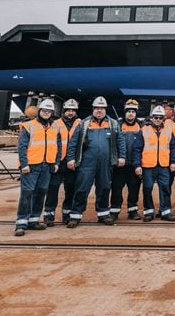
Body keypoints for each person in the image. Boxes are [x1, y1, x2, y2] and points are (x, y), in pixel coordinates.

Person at [65, 97, 126, 227]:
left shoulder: (113, 124)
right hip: (86, 163)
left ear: (105, 110)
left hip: (106, 163)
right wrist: (70, 158)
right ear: (93, 109)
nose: (99, 111)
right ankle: (75, 215)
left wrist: (122, 157)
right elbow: (73, 142)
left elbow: (120, 141)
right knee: (82, 188)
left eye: (102, 108)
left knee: (104, 187)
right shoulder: (83, 124)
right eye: (97, 108)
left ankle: (103, 214)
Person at [14, 98, 64, 235]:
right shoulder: (28, 126)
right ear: (39, 111)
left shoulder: (54, 128)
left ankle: (34, 220)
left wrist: (56, 163)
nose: (46, 113)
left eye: (49, 111)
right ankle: (21, 223)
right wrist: (24, 164)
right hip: (31, 166)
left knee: (41, 193)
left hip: (47, 165)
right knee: (27, 193)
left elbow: (58, 147)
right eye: (44, 110)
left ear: (52, 113)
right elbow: (22, 147)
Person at [132, 105, 175, 222]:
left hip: (163, 166)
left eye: (160, 118)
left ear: (163, 119)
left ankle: (165, 212)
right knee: (147, 189)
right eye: (156, 117)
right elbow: (137, 149)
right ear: (152, 118)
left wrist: (173, 162)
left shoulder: (168, 131)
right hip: (148, 166)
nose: (158, 120)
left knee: (165, 188)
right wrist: (137, 165)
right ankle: (149, 212)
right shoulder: (144, 130)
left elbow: (173, 147)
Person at [43, 98, 81, 227]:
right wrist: (54, 162)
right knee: (53, 189)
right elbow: (52, 143)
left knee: (71, 189)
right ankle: (49, 215)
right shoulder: (56, 123)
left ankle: (67, 215)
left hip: (73, 163)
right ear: (64, 111)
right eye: (68, 110)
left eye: (73, 110)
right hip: (58, 162)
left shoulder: (80, 123)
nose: (70, 113)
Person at [110, 99, 142, 221]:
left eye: (133, 111)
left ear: (136, 113)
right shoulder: (117, 125)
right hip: (120, 165)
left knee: (134, 189)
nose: (130, 114)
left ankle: (132, 211)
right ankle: (114, 212)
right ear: (125, 112)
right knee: (116, 189)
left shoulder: (141, 126)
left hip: (134, 164)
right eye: (128, 111)